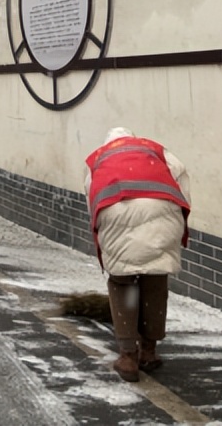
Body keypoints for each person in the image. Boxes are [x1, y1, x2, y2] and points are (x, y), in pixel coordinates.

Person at [84, 127, 191, 382]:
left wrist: (102, 230)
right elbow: (182, 180)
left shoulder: (98, 158)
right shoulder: (154, 149)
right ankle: (149, 352)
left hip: (115, 212)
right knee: (155, 280)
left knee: (124, 283)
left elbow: (92, 198)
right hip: (164, 209)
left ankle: (128, 356)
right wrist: (177, 218)